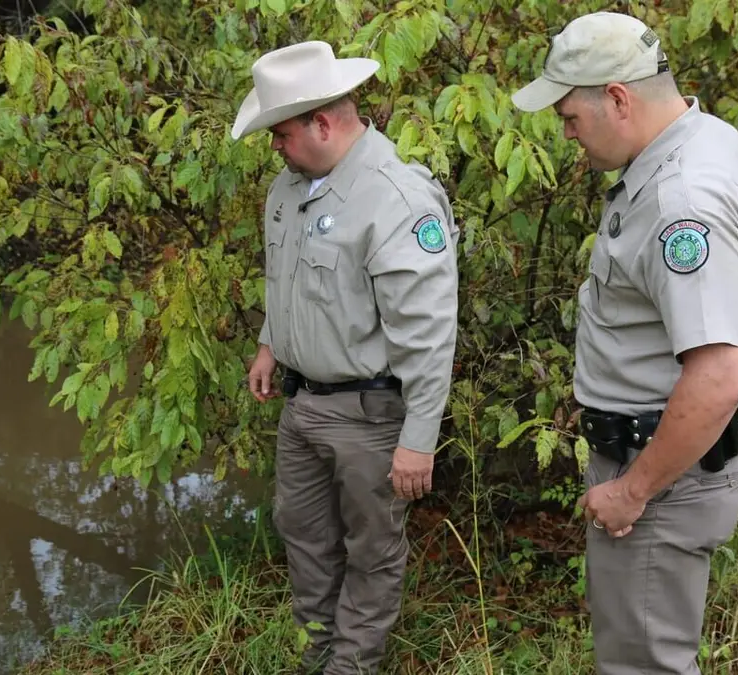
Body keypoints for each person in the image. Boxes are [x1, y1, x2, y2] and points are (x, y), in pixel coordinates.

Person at [510, 11, 738, 674]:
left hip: (660, 477)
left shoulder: (679, 199)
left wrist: (634, 490)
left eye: (570, 116)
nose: (566, 132)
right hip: (661, 458)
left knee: (643, 666)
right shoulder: (703, 136)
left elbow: (719, 376)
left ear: (619, 99)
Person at [231, 40, 460, 675]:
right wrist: (270, 344)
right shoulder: (288, 187)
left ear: (323, 123)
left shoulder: (397, 199)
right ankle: (318, 650)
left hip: (369, 412)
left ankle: (351, 666)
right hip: (302, 405)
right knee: (301, 532)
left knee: (372, 547)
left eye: (279, 134)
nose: (274, 147)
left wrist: (418, 440)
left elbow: (429, 334)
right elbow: (286, 278)